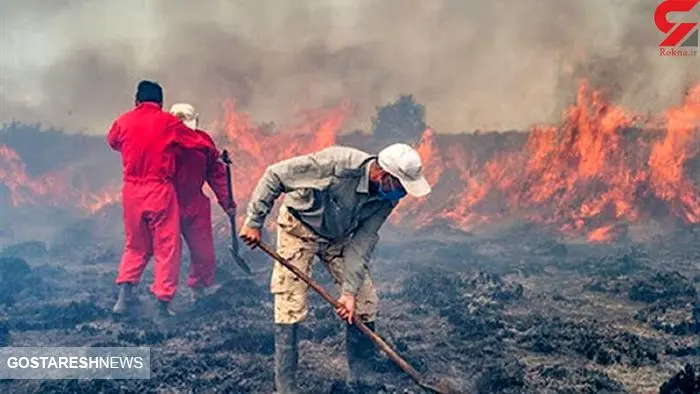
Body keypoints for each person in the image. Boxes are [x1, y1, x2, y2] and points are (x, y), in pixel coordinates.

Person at [239, 144, 431, 392]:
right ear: (383, 175)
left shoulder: (387, 199)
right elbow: (275, 174)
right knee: (289, 305)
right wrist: (254, 221)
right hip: (299, 229)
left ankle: (361, 381)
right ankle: (286, 388)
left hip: (339, 238)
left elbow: (362, 243)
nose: (403, 195)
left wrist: (349, 293)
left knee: (364, 301)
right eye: (402, 187)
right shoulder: (337, 165)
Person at [107, 80, 201, 319]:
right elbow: (192, 141)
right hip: (159, 190)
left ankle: (123, 298)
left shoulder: (122, 121)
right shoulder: (169, 123)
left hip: (131, 191)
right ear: (160, 103)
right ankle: (162, 303)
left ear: (137, 101)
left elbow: (113, 142)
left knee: (135, 245)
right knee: (167, 247)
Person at [168, 103, 236, 303]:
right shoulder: (162, 142)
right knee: (169, 254)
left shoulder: (204, 141)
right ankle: (164, 296)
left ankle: (198, 290)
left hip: (194, 203)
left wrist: (227, 201)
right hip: (168, 202)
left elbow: (215, 173)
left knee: (203, 251)